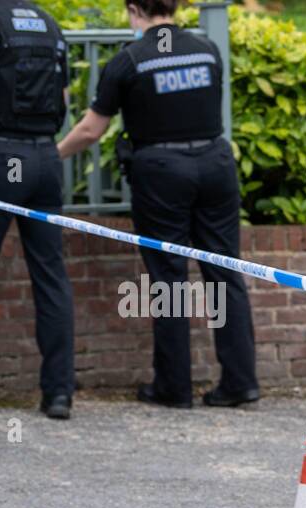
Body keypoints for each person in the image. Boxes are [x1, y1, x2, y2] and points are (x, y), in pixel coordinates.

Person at [58, 0, 257, 409]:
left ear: (134, 10)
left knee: (169, 278)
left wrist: (54, 154)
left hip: (162, 171)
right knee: (225, 272)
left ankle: (173, 387)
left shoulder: (129, 61)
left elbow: (92, 129)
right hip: (215, 164)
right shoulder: (207, 50)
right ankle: (240, 383)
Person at [0, 0, 76, 419]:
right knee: (51, 278)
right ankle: (59, 393)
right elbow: (63, 99)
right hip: (45, 161)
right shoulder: (50, 26)